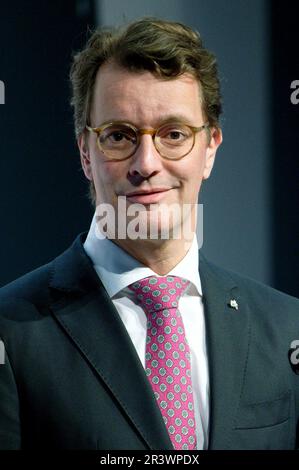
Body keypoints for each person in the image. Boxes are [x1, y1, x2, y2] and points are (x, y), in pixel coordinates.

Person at [0, 17, 298, 451]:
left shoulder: (286, 328)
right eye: (118, 136)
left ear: (210, 148)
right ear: (86, 152)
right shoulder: (11, 331)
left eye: (173, 134)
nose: (146, 163)